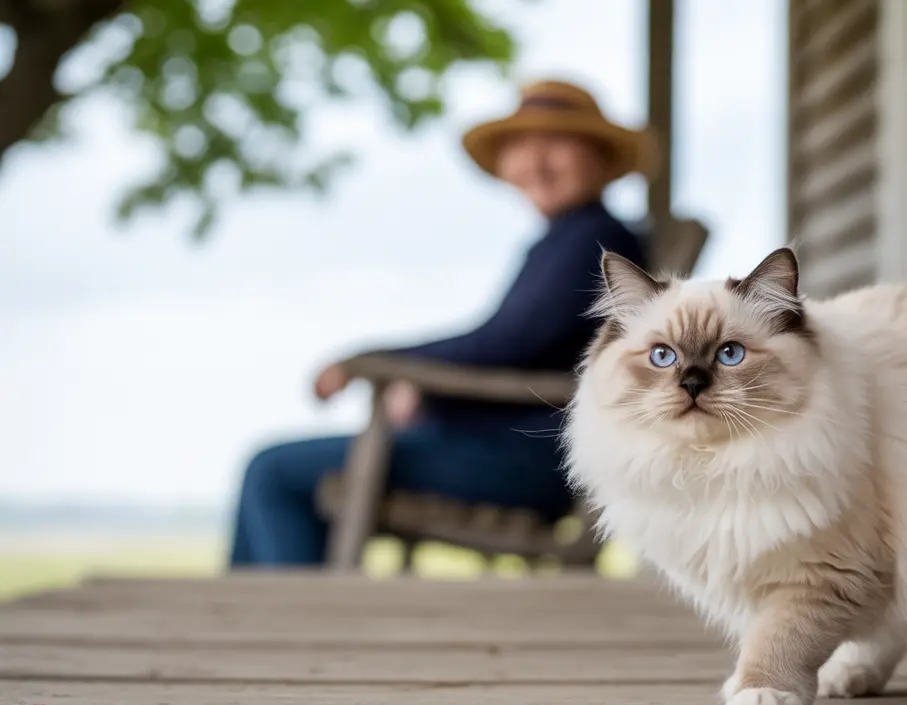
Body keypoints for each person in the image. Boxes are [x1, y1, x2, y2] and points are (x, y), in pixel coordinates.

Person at [229, 80, 654, 567]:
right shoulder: (569, 240)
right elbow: (518, 346)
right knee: (282, 470)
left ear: (599, 158)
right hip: (511, 446)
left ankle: (283, 628)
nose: (535, 162)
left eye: (557, 144)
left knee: (272, 471)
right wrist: (428, 388)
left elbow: (510, 342)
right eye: (521, 146)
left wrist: (375, 364)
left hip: (524, 458)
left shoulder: (593, 240)